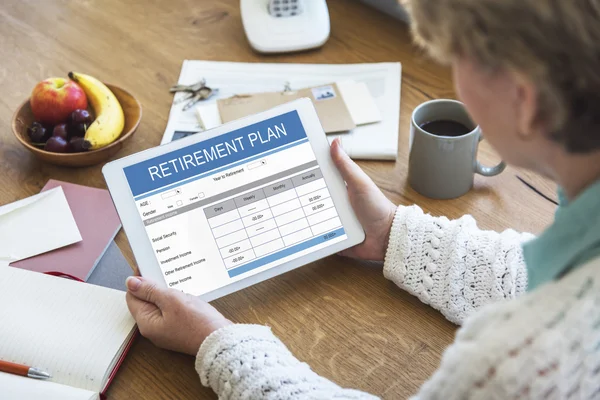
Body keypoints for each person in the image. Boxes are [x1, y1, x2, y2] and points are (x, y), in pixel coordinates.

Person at [125, 0, 600, 397]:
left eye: (456, 57)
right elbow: (555, 279)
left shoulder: (520, 363)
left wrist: (216, 343)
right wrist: (394, 234)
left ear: (525, 101)